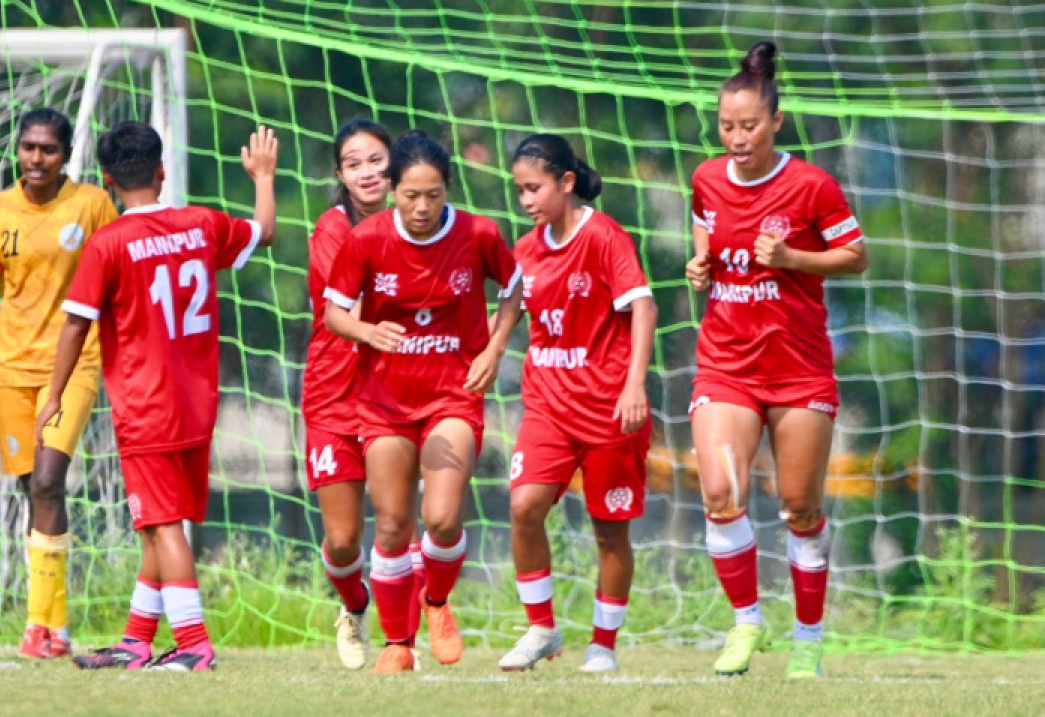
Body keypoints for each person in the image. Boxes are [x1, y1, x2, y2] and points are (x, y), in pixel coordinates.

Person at [35, 121, 278, 671]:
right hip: (197, 404)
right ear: (162, 170)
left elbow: (75, 327)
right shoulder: (201, 224)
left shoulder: (109, 243)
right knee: (156, 522)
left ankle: (194, 645)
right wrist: (263, 176)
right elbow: (263, 231)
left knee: (163, 524)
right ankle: (136, 640)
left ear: (105, 180)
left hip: (147, 408)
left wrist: (53, 397)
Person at [685, 41, 868, 679]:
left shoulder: (812, 185)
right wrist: (700, 263)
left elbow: (855, 256)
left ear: (776, 122)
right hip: (726, 364)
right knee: (719, 491)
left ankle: (809, 640)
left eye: (750, 126)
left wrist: (792, 260)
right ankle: (746, 624)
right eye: (727, 126)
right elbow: (704, 223)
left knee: (799, 508)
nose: (736, 138)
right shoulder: (706, 176)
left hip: (798, 367)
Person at [323, 130, 522, 674]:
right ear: (392, 190)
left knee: (440, 519)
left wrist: (494, 348)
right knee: (390, 525)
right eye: (411, 195)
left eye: (433, 195)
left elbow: (514, 289)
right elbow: (334, 313)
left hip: (453, 396)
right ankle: (398, 644)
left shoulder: (478, 233)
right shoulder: (365, 239)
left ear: (447, 190)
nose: (422, 207)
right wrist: (366, 332)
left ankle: (435, 601)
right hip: (384, 402)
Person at [0, 107, 117, 659]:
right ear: (18, 150)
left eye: (48, 150)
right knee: (30, 489)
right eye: (29, 147)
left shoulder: (92, 205)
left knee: (49, 483)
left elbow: (116, 277)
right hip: (10, 370)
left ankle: (37, 626)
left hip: (74, 364)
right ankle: (55, 629)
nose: (37, 158)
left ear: (65, 156)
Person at [496, 134, 657, 674]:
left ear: (566, 182)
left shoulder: (606, 238)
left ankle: (602, 646)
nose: (526, 200)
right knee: (524, 508)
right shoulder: (526, 248)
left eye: (534, 188)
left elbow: (644, 308)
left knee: (610, 531)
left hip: (610, 408)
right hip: (547, 406)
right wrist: (493, 350)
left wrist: (634, 384)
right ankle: (541, 627)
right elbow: (513, 300)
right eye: (519, 190)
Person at [304, 119, 425, 669]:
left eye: (376, 160)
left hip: (397, 390)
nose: (367, 172)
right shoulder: (333, 230)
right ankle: (353, 607)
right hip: (333, 393)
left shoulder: (427, 224)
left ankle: (405, 641)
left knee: (398, 521)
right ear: (340, 175)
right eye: (354, 164)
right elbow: (346, 308)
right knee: (344, 538)